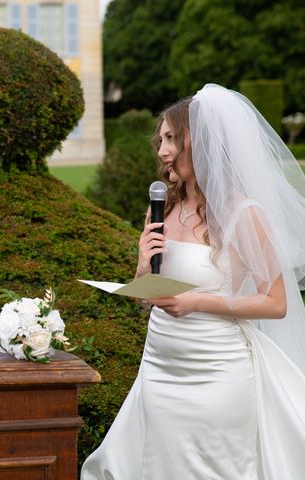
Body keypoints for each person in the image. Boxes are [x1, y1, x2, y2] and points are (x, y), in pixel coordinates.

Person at [81, 84, 305, 479]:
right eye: (161, 139)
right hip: (160, 366)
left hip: (217, 372)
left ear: (198, 144)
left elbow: (275, 303)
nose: (162, 150)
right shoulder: (163, 207)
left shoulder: (243, 213)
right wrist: (140, 270)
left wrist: (197, 302)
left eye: (172, 139)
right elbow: (145, 299)